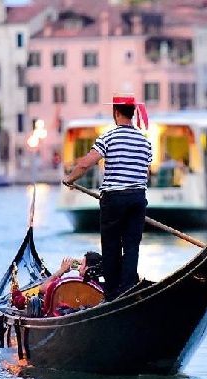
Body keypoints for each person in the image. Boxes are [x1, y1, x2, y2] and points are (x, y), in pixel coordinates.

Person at [62, 94, 153, 301]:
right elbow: (146, 171)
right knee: (132, 245)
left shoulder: (109, 137)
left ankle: (112, 293)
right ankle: (128, 287)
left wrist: (69, 179)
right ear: (132, 113)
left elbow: (87, 163)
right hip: (138, 198)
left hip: (114, 198)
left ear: (116, 113)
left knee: (111, 245)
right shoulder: (145, 142)